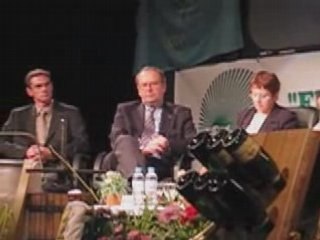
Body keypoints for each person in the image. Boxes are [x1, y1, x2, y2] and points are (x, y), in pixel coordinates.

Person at [0, 68, 90, 191]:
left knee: (47, 183)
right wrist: (25, 152)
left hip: (58, 172)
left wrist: (52, 153)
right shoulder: (18, 115)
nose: (44, 89)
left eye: (47, 84)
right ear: (29, 91)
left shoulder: (70, 113)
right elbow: (1, 142)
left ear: (52, 86)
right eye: (38, 86)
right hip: (23, 170)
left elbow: (82, 144)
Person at [106, 66, 196, 181]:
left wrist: (167, 144)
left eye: (154, 84)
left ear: (164, 87)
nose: (149, 89)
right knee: (125, 140)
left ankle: (136, 183)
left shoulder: (180, 113)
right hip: (125, 162)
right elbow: (116, 139)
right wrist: (141, 150)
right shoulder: (125, 110)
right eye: (144, 85)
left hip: (159, 164)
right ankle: (138, 181)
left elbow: (192, 144)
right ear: (138, 90)